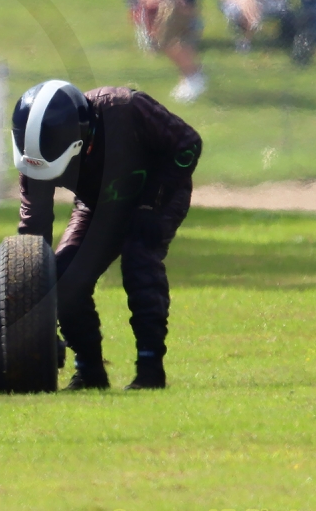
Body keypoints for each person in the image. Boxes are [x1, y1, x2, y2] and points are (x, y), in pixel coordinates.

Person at [12, 80, 202, 390]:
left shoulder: (126, 109)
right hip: (96, 205)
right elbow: (35, 222)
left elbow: (188, 144)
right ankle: (89, 371)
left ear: (82, 138)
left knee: (139, 261)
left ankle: (150, 368)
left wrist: (151, 203)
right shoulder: (35, 157)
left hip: (157, 197)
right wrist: (31, 282)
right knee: (62, 276)